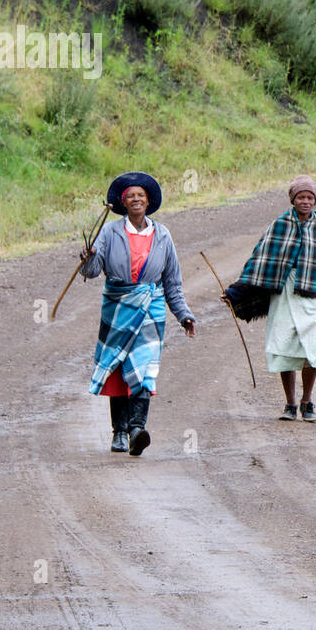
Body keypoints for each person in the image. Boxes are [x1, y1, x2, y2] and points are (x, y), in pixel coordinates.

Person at [223, 175, 316, 423]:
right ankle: (290, 404)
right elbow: (260, 262)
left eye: (309, 197)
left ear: (315, 200)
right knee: (284, 348)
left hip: (312, 297)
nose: (305, 201)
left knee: (313, 348)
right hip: (282, 294)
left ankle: (307, 401)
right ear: (293, 199)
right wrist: (235, 292)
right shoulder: (279, 225)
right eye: (301, 197)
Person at [79, 172, 196, 455]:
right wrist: (88, 257)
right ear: (122, 201)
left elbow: (172, 283)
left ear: (148, 201)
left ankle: (136, 430)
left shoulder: (163, 235)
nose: (136, 199)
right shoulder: (108, 232)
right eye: (130, 195)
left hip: (151, 308)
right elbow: (91, 273)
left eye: (140, 196)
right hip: (118, 305)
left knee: (144, 369)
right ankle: (118, 432)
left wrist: (184, 315)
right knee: (118, 368)